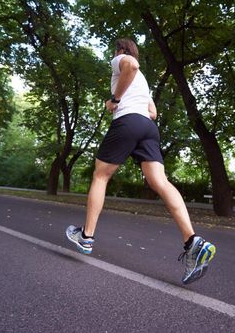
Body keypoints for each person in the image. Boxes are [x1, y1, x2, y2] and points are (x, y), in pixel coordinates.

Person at [66, 38, 216, 285]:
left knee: (101, 176)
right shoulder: (144, 83)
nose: (113, 56)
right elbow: (153, 112)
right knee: (161, 182)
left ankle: (86, 236)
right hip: (148, 127)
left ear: (120, 51)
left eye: (115, 51)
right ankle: (193, 242)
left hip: (127, 122)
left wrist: (114, 101)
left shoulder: (122, 61)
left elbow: (131, 65)